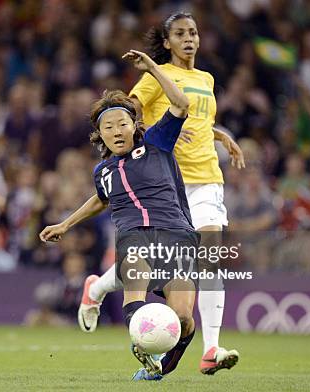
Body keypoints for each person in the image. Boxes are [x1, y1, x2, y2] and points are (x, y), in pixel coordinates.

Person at [77, 12, 242, 375]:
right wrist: (156, 129)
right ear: (166, 42)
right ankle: (101, 287)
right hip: (168, 181)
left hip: (207, 177)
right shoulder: (156, 79)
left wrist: (219, 135)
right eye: (180, 33)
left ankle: (211, 347)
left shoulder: (207, 78)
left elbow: (199, 122)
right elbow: (129, 116)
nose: (189, 39)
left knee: (210, 257)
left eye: (194, 32)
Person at [41, 49, 198, 380]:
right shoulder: (103, 170)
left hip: (177, 235)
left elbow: (181, 104)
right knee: (135, 297)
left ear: (134, 126)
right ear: (101, 135)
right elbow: (100, 200)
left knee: (184, 321)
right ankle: (142, 343)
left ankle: (157, 370)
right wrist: (66, 224)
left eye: (122, 123)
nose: (116, 130)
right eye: (108, 126)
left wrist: (154, 68)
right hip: (134, 237)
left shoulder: (156, 142)